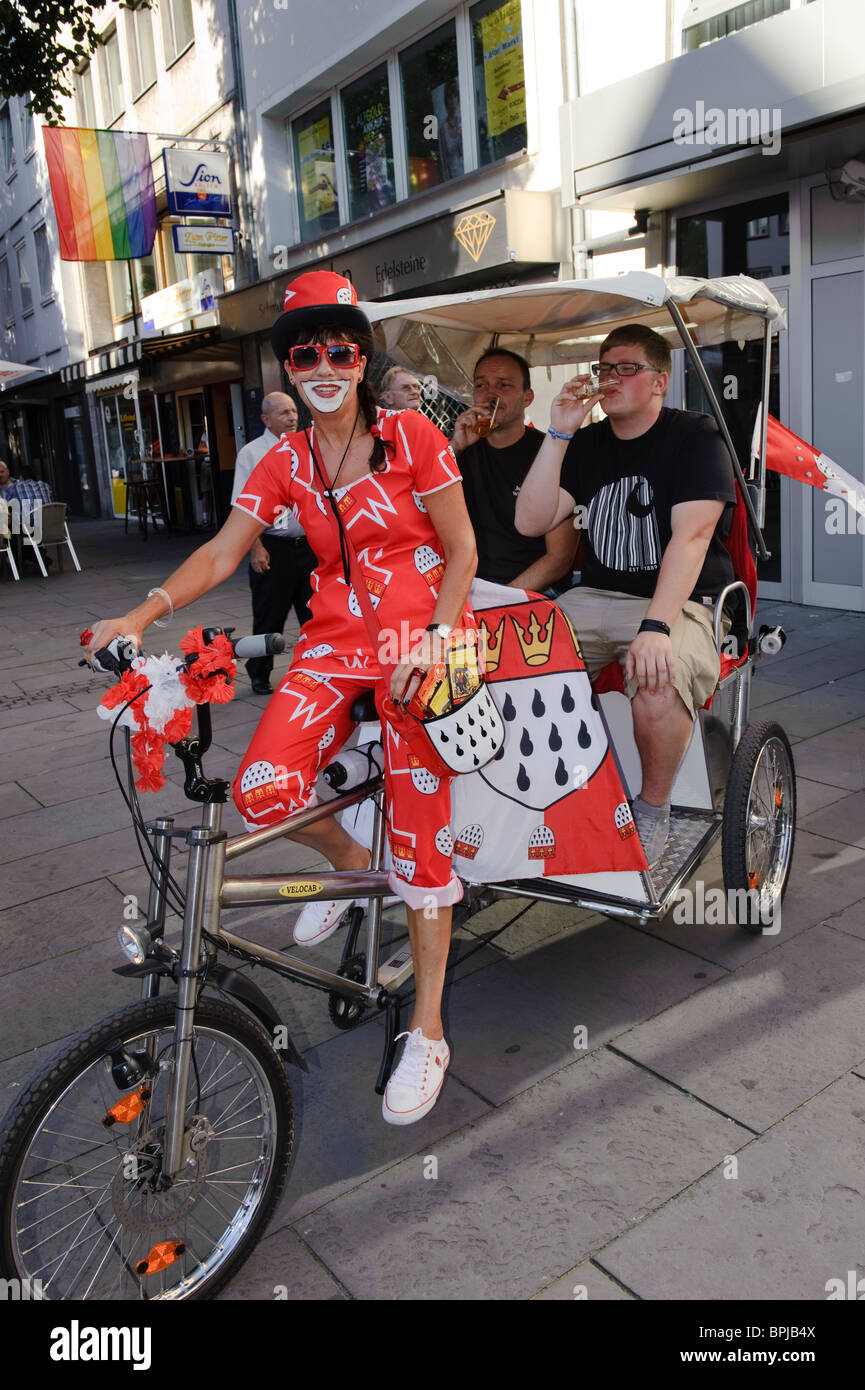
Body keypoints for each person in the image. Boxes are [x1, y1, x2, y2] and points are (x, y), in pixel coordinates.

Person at [84, 270, 478, 1128]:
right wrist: (142, 610)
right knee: (263, 790)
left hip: (419, 645)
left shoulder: (410, 434)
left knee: (421, 849)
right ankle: (346, 861)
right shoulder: (285, 460)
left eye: (340, 347)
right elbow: (224, 552)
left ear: (361, 355)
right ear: (286, 369)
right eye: (305, 350)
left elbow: (461, 551)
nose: (324, 363)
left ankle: (429, 1029)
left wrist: (439, 640)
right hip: (335, 644)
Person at [515, 325, 737, 865]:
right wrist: (559, 432)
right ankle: (548, 796)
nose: (609, 378)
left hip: (679, 601)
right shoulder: (588, 442)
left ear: (660, 381)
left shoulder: (695, 435)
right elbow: (531, 520)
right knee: (510, 660)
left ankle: (653, 810)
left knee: (657, 678)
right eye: (603, 368)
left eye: (625, 368)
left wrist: (657, 628)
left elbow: (693, 537)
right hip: (594, 596)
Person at [450, 349, 578, 591]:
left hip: (533, 591)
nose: (490, 395)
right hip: (469, 585)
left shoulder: (550, 453)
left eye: (504, 385)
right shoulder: (461, 451)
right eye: (481, 385)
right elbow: (417, 508)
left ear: (527, 397)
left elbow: (559, 559)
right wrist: (455, 447)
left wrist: (503, 600)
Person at [230, 392, 315, 694]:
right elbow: (242, 507)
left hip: (308, 545)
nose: (292, 417)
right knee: (269, 615)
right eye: (283, 413)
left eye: (293, 411)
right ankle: (259, 672)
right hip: (271, 546)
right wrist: (255, 547)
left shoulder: (307, 447)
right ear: (265, 419)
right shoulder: (252, 454)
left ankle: (316, 670)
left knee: (315, 613)